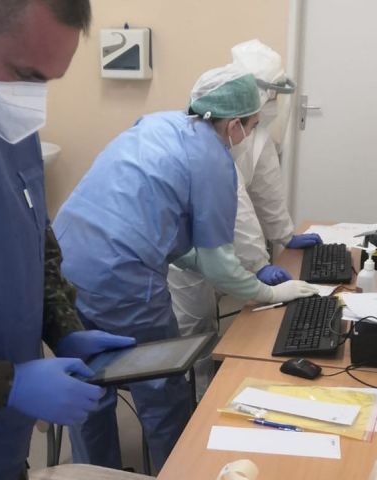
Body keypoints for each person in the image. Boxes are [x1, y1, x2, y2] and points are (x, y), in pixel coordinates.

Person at [53, 63, 318, 470]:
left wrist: (201, 261)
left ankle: (95, 473)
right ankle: (176, 471)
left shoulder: (158, 124)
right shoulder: (212, 159)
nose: (250, 134)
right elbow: (218, 263)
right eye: (251, 125)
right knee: (161, 386)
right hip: (121, 277)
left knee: (89, 383)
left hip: (63, 260)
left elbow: (155, 225)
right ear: (234, 124)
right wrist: (268, 292)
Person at [0, 2, 135, 479]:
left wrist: (64, 326)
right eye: (24, 74)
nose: (30, 100)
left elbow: (32, 235)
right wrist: (6, 386)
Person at [168, 40, 323, 398]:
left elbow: (266, 187)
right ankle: (194, 403)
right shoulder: (210, 140)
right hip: (183, 250)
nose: (274, 103)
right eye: (272, 94)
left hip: (209, 243)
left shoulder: (252, 133)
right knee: (195, 330)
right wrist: (258, 264)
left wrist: (284, 234)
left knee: (214, 324)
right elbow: (236, 204)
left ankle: (203, 393)